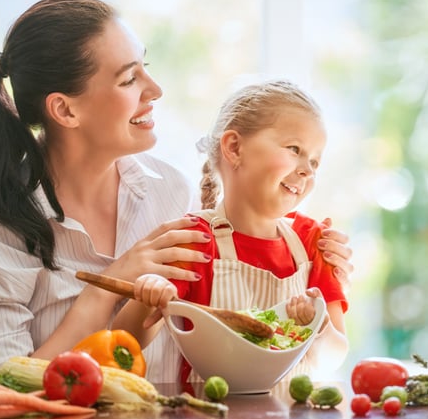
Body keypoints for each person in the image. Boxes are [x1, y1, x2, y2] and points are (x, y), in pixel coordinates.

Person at [0, 0, 353, 383]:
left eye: (145, 67)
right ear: (65, 109)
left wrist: (317, 282)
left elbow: (223, 329)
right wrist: (102, 290)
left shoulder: (169, 192)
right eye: (129, 79)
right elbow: (1, 393)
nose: (155, 90)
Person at [112, 80, 349, 382]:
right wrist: (149, 296)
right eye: (294, 149)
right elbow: (123, 341)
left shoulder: (314, 242)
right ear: (234, 147)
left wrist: (319, 327)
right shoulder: (194, 240)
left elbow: (334, 357)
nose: (308, 170)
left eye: (315, 161)